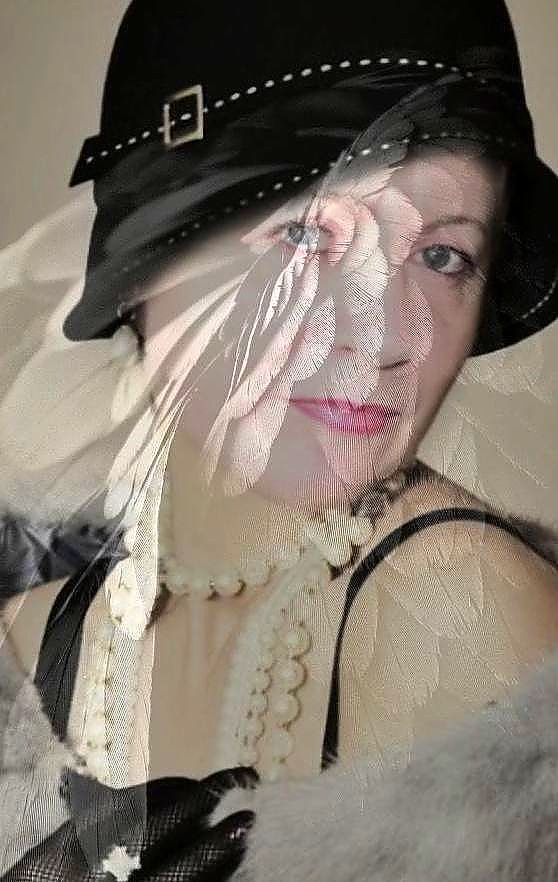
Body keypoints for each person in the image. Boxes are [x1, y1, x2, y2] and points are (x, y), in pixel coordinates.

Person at [1, 0, 558, 879]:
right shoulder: (28, 644)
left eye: (442, 257)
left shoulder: (468, 624)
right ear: (148, 257)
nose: (384, 335)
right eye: (305, 235)